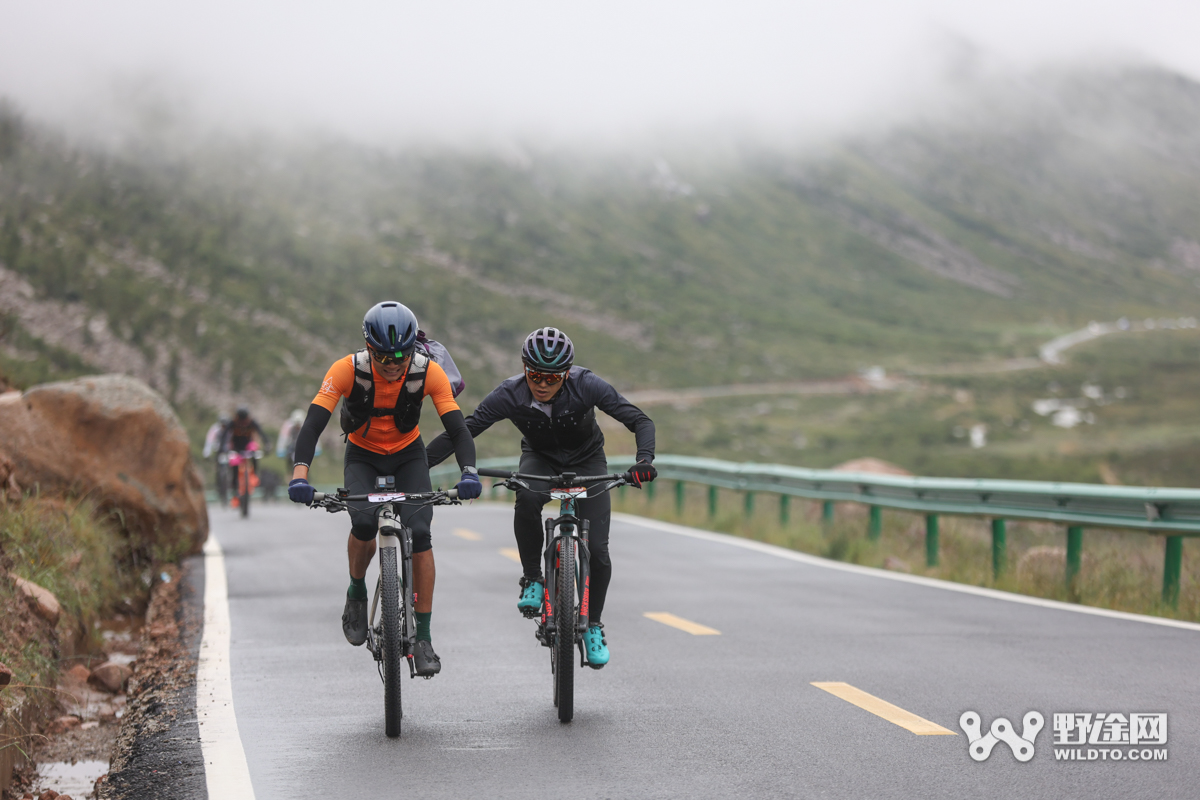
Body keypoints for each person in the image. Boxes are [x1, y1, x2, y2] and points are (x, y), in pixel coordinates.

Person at [425, 326, 656, 668]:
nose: (543, 384)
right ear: (524, 368)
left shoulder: (588, 385)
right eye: (535, 375)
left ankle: (593, 625)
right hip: (540, 460)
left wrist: (644, 460)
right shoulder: (509, 394)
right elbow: (463, 430)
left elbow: (639, 420)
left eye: (552, 377)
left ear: (566, 374)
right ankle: (533, 577)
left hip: (588, 461)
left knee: (600, 551)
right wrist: (419, 466)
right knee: (528, 499)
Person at [285, 301, 481, 676]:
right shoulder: (346, 369)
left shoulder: (429, 372)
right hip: (363, 455)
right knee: (361, 523)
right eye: (383, 357)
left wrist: (468, 472)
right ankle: (356, 590)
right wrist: (299, 475)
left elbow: (458, 429)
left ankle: (422, 636)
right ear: (367, 347)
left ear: (413, 349)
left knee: (421, 533)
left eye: (400, 356)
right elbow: (312, 425)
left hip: (409, 455)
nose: (392, 365)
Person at [203, 414, 231, 505]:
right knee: (219, 469)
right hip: (219, 451)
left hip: (229, 451)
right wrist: (207, 453)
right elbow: (209, 441)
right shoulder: (215, 429)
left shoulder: (231, 429)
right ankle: (219, 486)